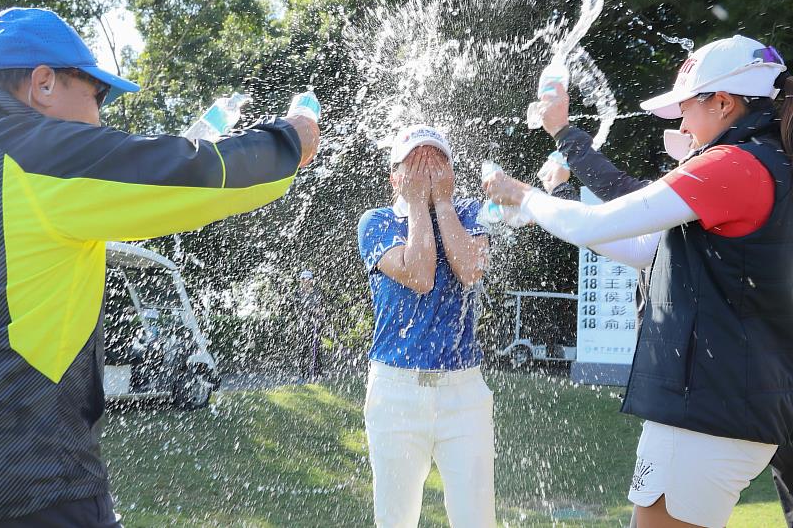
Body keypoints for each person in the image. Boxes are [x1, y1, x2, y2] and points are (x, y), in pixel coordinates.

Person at [0, 7, 319, 527]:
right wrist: (290, 139)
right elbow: (190, 171)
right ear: (43, 83)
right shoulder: (36, 155)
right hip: (35, 486)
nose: (101, 116)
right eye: (96, 95)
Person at [484, 35, 793, 528]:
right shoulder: (768, 164)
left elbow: (597, 224)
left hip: (702, 413)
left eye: (685, 109)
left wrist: (523, 196)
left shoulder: (733, 165)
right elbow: (643, 249)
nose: (682, 125)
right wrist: (547, 212)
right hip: (734, 410)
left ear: (723, 102)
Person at [357, 125, 494, 527]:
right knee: (395, 520)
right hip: (396, 391)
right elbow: (420, 274)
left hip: (463, 392)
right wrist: (418, 205)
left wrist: (443, 205)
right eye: (415, 164)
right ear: (394, 177)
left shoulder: (469, 212)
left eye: (436, 162)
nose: (426, 172)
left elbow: (470, 269)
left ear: (452, 173)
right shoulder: (377, 220)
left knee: (476, 519)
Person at [295, 269, 324, 380]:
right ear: (301, 280)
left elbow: (321, 306)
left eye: (308, 279)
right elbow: (299, 308)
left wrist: (320, 312)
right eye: (304, 279)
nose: (306, 281)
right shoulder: (297, 293)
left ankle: (317, 374)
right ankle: (302, 374)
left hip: (315, 324)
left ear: (311, 280)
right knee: (303, 349)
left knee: (316, 348)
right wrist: (312, 309)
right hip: (303, 324)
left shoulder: (316, 292)